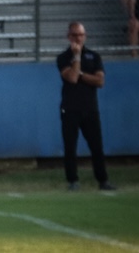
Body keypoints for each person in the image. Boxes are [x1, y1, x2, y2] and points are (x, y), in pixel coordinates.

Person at [58, 22, 116, 191]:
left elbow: (100, 81)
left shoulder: (94, 56)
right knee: (70, 146)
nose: (78, 38)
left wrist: (81, 74)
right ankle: (73, 181)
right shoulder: (63, 57)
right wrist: (76, 57)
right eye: (75, 35)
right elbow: (72, 78)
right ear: (69, 37)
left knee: (97, 146)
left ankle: (103, 180)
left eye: (81, 35)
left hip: (90, 108)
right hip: (70, 108)